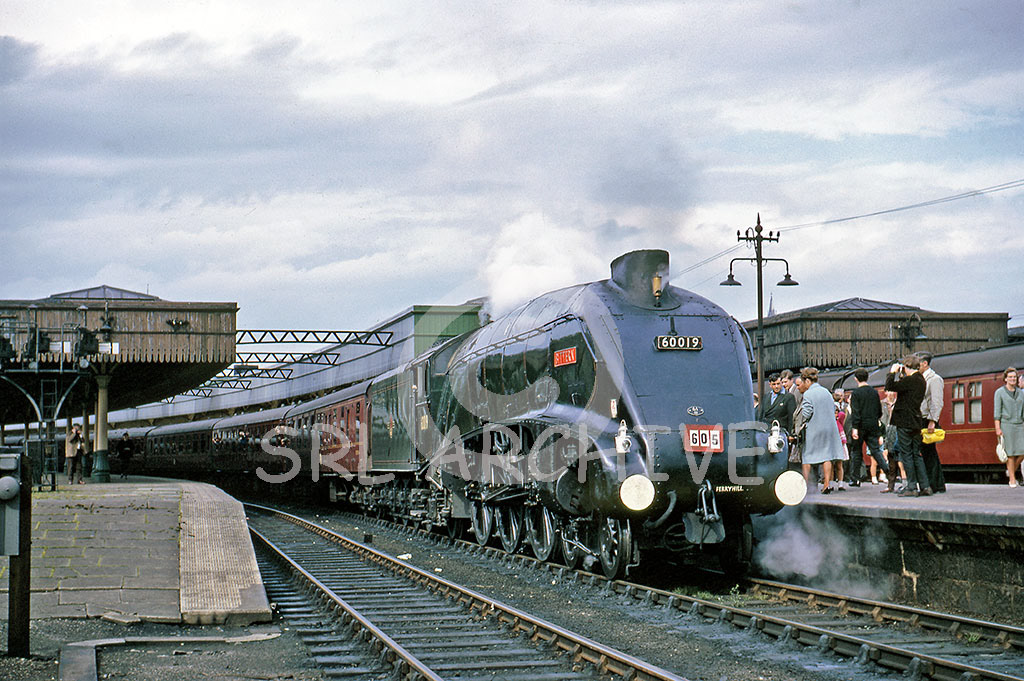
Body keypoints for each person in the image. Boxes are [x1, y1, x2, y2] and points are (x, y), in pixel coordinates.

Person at [795, 367, 846, 494]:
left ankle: (805, 485)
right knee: (826, 456)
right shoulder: (826, 392)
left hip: (814, 428)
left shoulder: (808, 394)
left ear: (807, 381)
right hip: (829, 428)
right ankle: (826, 484)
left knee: (807, 457)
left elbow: (807, 413)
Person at [885, 355, 930, 497]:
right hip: (916, 420)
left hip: (905, 421)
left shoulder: (910, 380)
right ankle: (925, 486)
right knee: (917, 454)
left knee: (907, 454)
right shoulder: (921, 380)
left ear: (906, 366)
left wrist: (893, 372)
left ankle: (911, 487)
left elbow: (890, 386)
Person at [849, 368, 886, 486]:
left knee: (856, 452)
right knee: (876, 451)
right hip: (873, 425)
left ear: (856, 379)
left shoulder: (855, 393)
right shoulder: (874, 392)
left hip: (860, 426)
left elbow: (856, 412)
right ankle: (889, 472)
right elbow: (879, 412)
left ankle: (855, 479)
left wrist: (855, 427)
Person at [917, 352, 946, 493]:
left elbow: (937, 401)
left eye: (918, 363)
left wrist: (933, 421)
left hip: (927, 419)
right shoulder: (922, 378)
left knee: (929, 453)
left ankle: (935, 484)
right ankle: (936, 484)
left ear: (925, 363)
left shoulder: (934, 379)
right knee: (928, 453)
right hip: (922, 418)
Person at [994, 367, 1024, 487]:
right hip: (1007, 425)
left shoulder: (1021, 393)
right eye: (1010, 377)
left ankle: (1010, 471)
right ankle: (1012, 479)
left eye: (1015, 377)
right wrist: (998, 428)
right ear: (1005, 379)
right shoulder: (999, 393)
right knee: (1010, 453)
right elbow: (997, 412)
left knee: (1022, 452)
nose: (1013, 379)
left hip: (1020, 424)